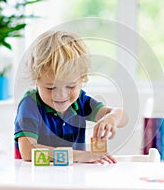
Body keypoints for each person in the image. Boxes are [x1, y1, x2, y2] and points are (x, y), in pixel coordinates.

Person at [14, 30, 128, 164]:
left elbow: (123, 118)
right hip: (33, 178)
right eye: (50, 88)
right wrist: (78, 155)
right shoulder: (30, 104)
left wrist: (111, 118)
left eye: (70, 87)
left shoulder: (81, 102)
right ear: (36, 81)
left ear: (82, 80)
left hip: (73, 178)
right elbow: (28, 151)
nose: (61, 95)